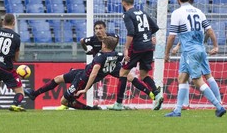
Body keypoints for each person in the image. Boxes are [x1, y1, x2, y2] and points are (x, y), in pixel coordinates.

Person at [25, 20, 154, 109]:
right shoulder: (91, 40)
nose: (98, 31)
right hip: (97, 66)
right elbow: (82, 41)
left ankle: (150, 93)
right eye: (96, 29)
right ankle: (35, 94)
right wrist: (88, 51)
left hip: (105, 66)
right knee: (59, 79)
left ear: (105, 29)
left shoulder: (112, 37)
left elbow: (116, 46)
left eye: (100, 28)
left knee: (129, 76)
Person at [164, 0, 226, 117]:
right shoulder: (199, 11)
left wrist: (167, 53)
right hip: (200, 49)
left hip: (190, 51)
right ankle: (178, 110)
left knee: (198, 80)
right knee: (182, 77)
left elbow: (172, 36)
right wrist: (215, 46)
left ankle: (218, 106)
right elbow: (209, 30)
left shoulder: (177, 12)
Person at [109, 0, 163, 111]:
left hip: (137, 47)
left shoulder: (127, 14)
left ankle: (118, 104)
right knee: (144, 75)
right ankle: (158, 95)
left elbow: (131, 32)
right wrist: (150, 37)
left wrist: (126, 48)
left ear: (124, 3)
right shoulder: (142, 12)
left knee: (123, 73)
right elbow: (155, 28)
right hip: (148, 46)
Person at [60, 36, 124, 109]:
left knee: (64, 101)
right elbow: (125, 57)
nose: (101, 45)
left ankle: (90, 109)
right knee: (129, 77)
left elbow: (93, 74)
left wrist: (86, 89)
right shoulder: (117, 55)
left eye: (102, 44)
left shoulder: (100, 56)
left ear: (105, 45)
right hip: (87, 77)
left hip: (82, 80)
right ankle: (118, 102)